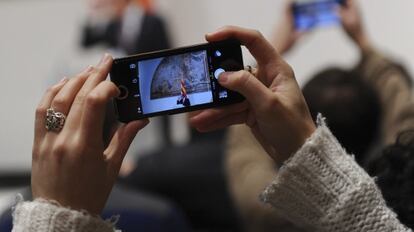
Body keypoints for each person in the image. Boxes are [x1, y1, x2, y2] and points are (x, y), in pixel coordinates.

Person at [12, 25, 410, 231]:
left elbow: (244, 153)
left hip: (183, 174)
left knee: (155, 168)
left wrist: (55, 220)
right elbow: (402, 109)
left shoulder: (263, 202)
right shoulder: (396, 180)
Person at [224, 0, 414, 231]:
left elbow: (246, 161)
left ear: (306, 123)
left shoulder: (274, 210)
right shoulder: (396, 196)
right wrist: (363, 42)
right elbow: (403, 111)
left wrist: (271, 53)